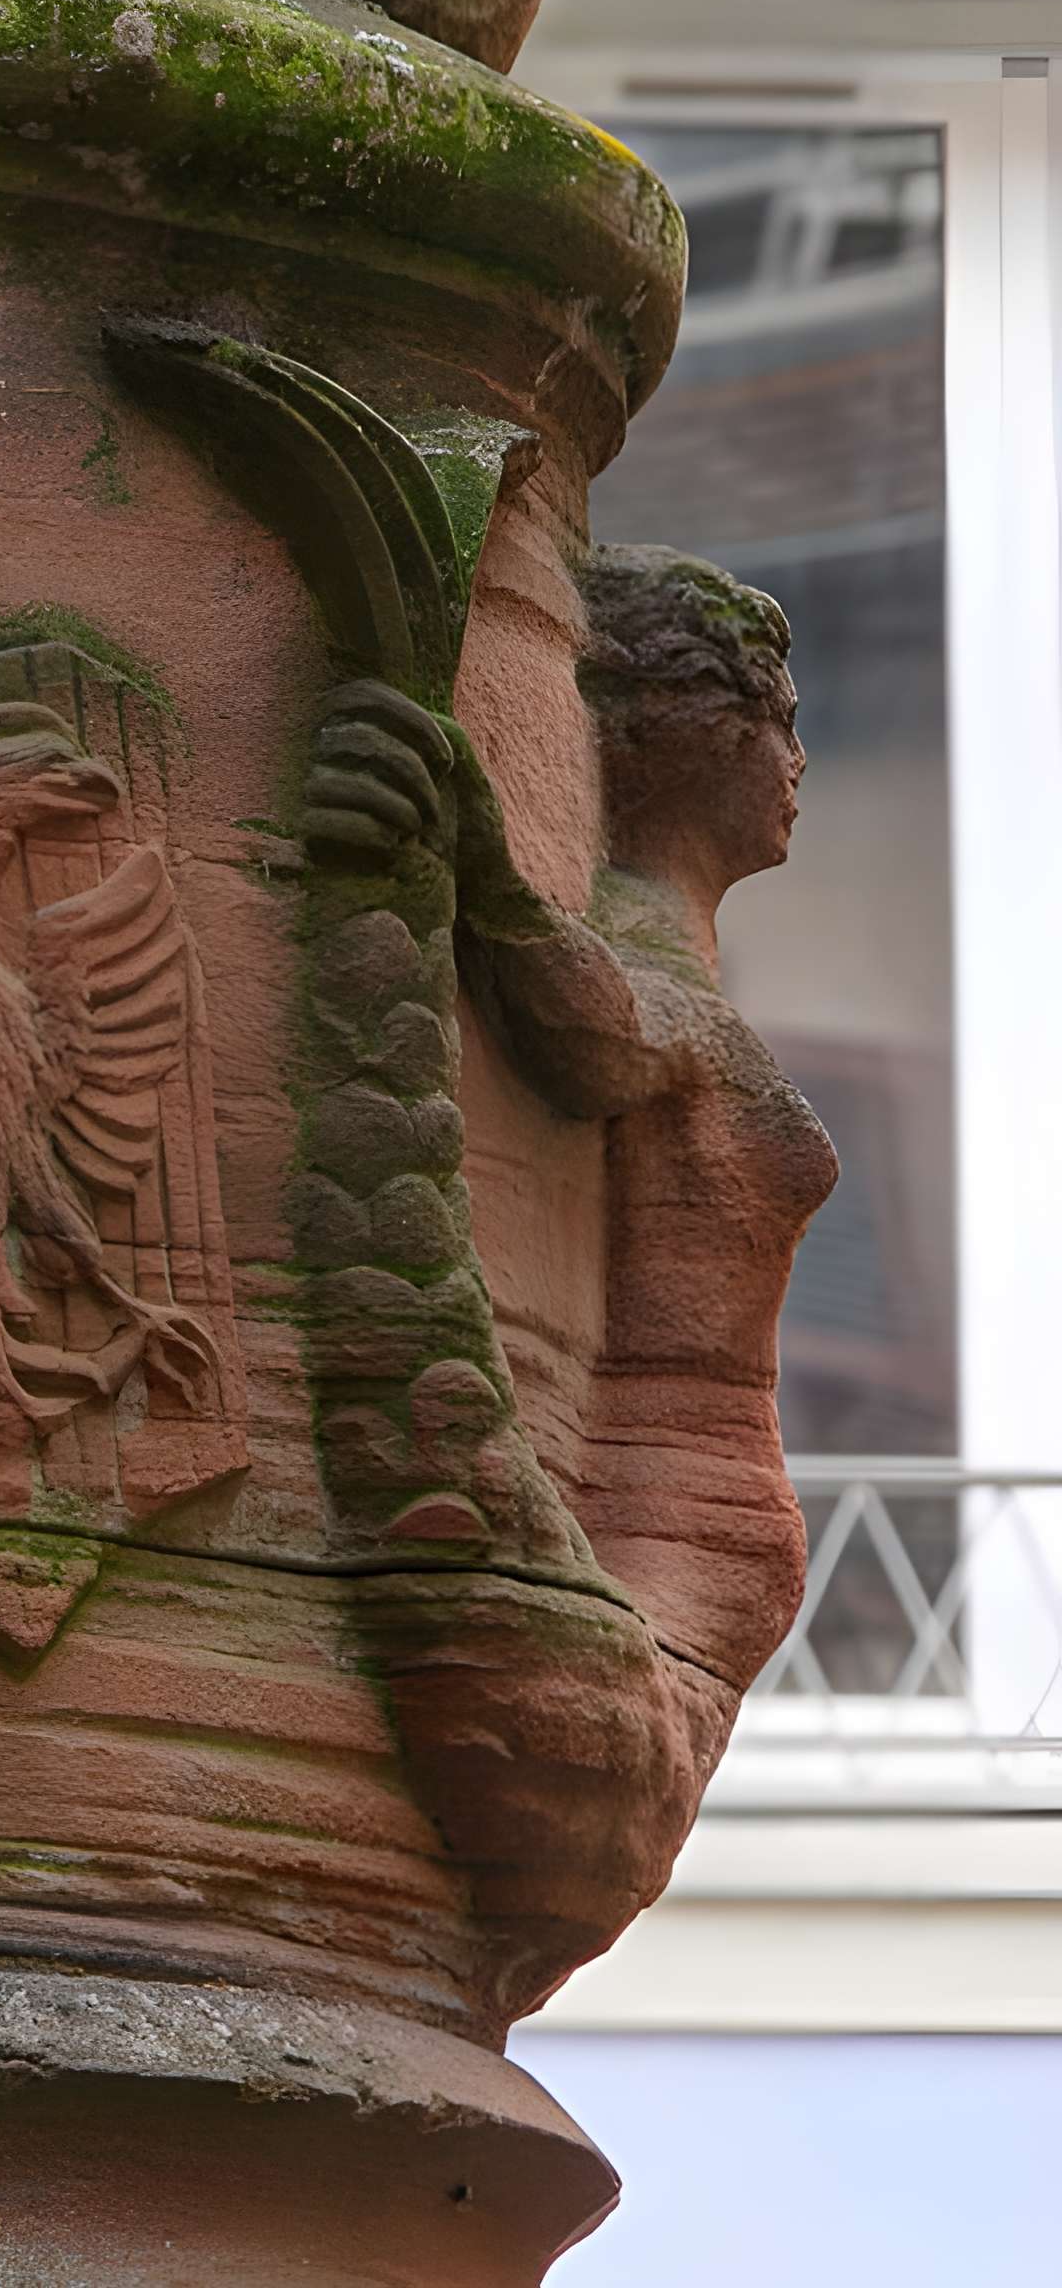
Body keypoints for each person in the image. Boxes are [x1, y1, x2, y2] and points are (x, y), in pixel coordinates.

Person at [307, 542, 839, 1691]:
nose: (795, 759)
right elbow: (601, 1032)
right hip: (652, 1488)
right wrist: (477, 868)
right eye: (770, 717)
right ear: (662, 724)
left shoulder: (676, 972)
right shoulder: (643, 971)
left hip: (696, 1497)